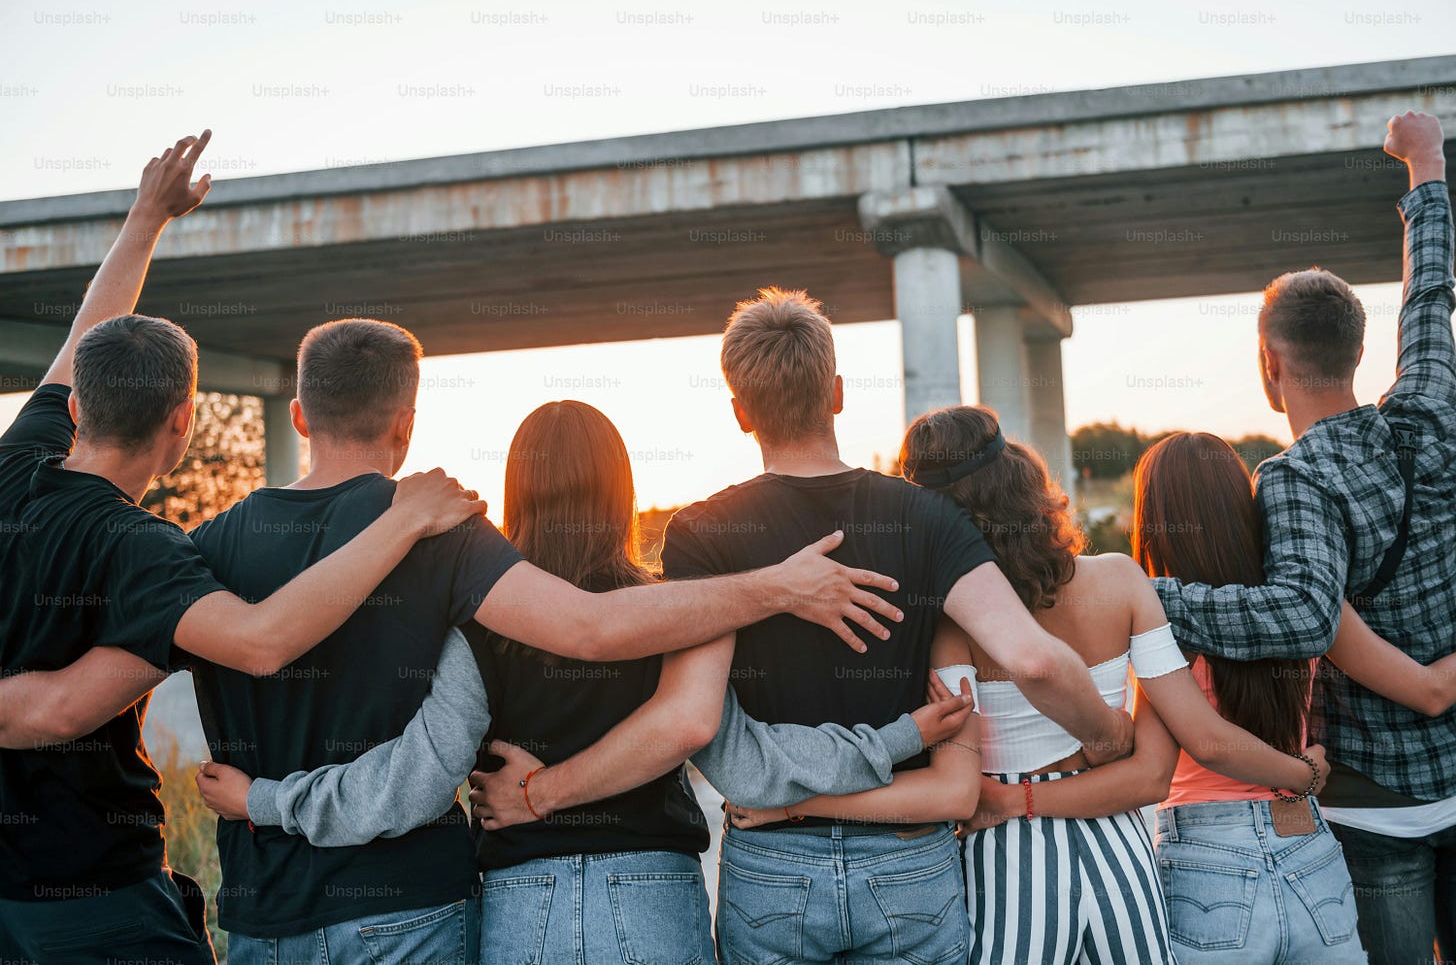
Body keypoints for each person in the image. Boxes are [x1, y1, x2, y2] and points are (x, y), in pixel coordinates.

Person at [9, 307, 902, 964]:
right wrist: (771, 587)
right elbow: (591, 628)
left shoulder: (201, 548)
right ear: (407, 421)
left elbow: (64, 701)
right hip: (418, 909)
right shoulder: (440, 533)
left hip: (264, 914)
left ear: (299, 417)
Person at [461, 288, 1137, 964]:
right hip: (908, 861)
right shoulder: (926, 516)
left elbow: (691, 722)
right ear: (837, 392)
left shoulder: (705, 532)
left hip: (774, 872)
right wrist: (1106, 734)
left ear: (740, 413)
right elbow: (1035, 660)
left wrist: (538, 793)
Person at [193, 399, 978, 964]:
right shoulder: (673, 614)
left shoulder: (482, 623)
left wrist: (266, 798)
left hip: (519, 898)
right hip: (653, 889)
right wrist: (901, 735)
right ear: (622, 489)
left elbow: (418, 776)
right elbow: (751, 763)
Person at [0, 133, 492, 965]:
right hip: (92, 891)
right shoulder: (143, 548)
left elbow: (90, 331)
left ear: (76, 407)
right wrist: (402, 521)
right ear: (184, 423)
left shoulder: (18, 461)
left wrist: (146, 217)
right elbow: (262, 640)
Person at [731, 406, 1338, 964]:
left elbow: (953, 790)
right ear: (1024, 480)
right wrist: (1305, 775)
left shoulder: (947, 626)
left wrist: (791, 801)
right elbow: (1158, 774)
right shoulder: (1124, 582)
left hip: (1004, 863)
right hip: (1119, 854)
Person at [1151, 111, 1456, 963]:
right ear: (1362, 349)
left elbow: (1299, 614)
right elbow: (1431, 292)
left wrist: (1149, 597)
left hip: (1373, 802)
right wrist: (1424, 165)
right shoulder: (1431, 404)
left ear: (1268, 366)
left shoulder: (1291, 478)